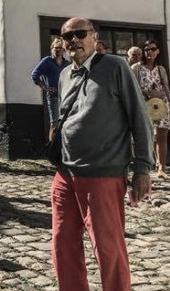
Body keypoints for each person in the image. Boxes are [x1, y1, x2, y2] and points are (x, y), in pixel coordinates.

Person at [52, 17, 153, 291]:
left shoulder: (115, 67)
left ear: (93, 37)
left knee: (108, 250)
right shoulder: (63, 75)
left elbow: (139, 117)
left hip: (102, 175)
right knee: (63, 246)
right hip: (65, 173)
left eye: (80, 33)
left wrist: (142, 167)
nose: (73, 40)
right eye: (67, 35)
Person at [131, 40, 170, 179]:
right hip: (144, 105)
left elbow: (166, 88)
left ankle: (161, 167)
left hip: (162, 105)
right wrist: (146, 94)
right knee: (147, 136)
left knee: (162, 137)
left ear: (158, 51)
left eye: (153, 49)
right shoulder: (136, 68)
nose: (150, 52)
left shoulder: (160, 69)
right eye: (147, 49)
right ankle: (146, 165)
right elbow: (133, 87)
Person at [30, 37, 70, 141]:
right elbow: (34, 74)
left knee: (65, 124)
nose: (58, 50)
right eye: (56, 48)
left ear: (64, 50)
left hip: (65, 97)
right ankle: (51, 150)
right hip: (53, 97)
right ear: (52, 48)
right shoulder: (47, 61)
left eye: (60, 48)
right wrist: (44, 87)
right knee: (54, 124)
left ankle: (61, 149)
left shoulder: (67, 64)